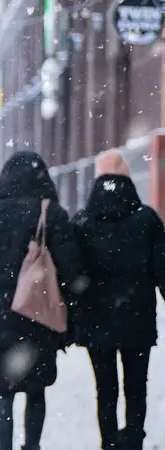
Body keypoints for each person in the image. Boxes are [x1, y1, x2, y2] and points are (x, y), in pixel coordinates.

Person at [0, 151, 84, 450]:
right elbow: (71, 269)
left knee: (3, 391)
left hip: (0, 315)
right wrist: (73, 317)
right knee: (36, 389)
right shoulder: (51, 214)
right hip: (40, 313)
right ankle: (32, 446)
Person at [71, 150, 165, 450]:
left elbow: (73, 272)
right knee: (137, 385)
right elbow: (161, 269)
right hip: (137, 317)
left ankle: (109, 441)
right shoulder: (147, 218)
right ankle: (134, 438)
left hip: (97, 319)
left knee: (105, 387)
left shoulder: (83, 220)